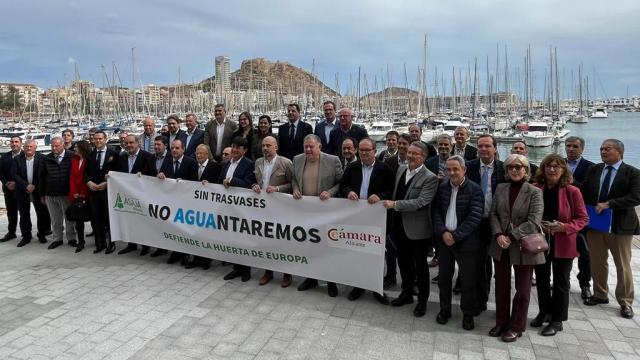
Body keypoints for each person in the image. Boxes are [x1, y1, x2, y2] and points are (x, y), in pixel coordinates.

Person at [581, 139, 640, 319]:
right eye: (601, 149)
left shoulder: (632, 173)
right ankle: (600, 294)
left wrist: (610, 204)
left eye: (607, 149)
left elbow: (636, 197)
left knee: (622, 265)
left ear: (620, 152)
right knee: (597, 261)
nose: (603, 152)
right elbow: (583, 192)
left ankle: (625, 301)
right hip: (596, 224)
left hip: (620, 226)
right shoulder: (594, 170)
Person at [488, 154, 544, 342]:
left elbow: (533, 221)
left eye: (519, 167)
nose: (514, 170)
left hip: (521, 245)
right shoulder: (501, 188)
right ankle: (501, 322)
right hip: (501, 244)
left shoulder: (534, 192)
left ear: (526, 170)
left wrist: (511, 236)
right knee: (501, 286)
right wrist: (498, 235)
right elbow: (493, 213)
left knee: (522, 289)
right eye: (511, 167)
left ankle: (517, 326)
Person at [531, 154, 589, 336]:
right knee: (541, 279)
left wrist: (563, 227)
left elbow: (583, 219)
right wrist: (539, 224)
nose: (552, 169)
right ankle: (544, 311)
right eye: (548, 166)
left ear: (563, 169)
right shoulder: (535, 188)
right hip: (540, 240)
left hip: (563, 242)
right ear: (543, 168)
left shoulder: (572, 191)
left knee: (561, 282)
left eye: (557, 166)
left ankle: (557, 320)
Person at [384, 141, 438, 317]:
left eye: (415, 154)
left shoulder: (430, 177)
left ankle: (422, 302)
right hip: (399, 227)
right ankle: (406, 294)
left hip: (418, 231)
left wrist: (395, 205)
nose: (411, 156)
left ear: (423, 157)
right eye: (409, 153)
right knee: (403, 263)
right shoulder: (401, 170)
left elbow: (421, 202)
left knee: (421, 268)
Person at [432, 155, 484, 330]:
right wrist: (443, 232)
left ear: (464, 170)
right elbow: (436, 213)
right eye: (449, 169)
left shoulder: (475, 189)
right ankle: (444, 310)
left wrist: (456, 235)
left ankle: (468, 314)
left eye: (455, 169)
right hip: (444, 241)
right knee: (444, 279)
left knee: (468, 281)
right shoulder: (442, 188)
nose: (452, 172)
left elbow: (475, 217)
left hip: (466, 243)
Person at [340, 138, 394, 304]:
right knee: (358, 252)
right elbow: (343, 186)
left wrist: (380, 196)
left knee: (376, 254)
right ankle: (359, 285)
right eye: (361, 150)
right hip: (357, 218)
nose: (363, 153)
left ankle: (377, 288)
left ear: (374, 151)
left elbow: (392, 191)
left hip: (376, 219)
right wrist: (348, 192)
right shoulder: (352, 167)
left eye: (367, 150)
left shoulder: (384, 168)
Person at [293, 134, 343, 297]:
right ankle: (311, 278)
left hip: (325, 212)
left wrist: (330, 192)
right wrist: (295, 189)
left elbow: (341, 183)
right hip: (305, 212)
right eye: (305, 146)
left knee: (327, 247)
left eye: (311, 147)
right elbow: (294, 179)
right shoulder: (297, 159)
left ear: (319, 147)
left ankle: (331, 281)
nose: (308, 149)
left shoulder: (333, 160)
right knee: (309, 246)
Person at [466, 134, 506, 313]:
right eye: (480, 146)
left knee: (497, 263)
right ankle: (479, 301)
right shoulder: (469, 167)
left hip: (496, 223)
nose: (483, 149)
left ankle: (500, 303)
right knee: (478, 263)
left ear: (495, 149)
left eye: (487, 146)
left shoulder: (504, 169)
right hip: (474, 221)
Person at [251, 136, 294, 287]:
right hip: (263, 209)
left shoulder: (285, 163)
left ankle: (287, 274)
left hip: (281, 209)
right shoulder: (258, 162)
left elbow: (292, 184)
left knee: (283, 241)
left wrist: (277, 189)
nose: (265, 148)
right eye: (263, 145)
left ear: (276, 147)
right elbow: (256, 180)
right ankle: (268, 271)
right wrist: (254, 185)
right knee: (266, 240)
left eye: (268, 145)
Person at [157, 139, 199, 264]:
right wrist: (160, 176)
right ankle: (175, 253)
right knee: (173, 229)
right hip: (171, 202)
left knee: (184, 230)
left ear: (183, 149)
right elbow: (162, 177)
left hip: (185, 203)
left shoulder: (191, 162)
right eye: (172, 148)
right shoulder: (167, 161)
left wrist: (184, 183)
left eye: (177, 148)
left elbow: (194, 182)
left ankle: (185, 254)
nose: (174, 150)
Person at [219, 136, 255, 281]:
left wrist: (232, 181)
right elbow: (219, 180)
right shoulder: (227, 163)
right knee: (232, 239)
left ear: (244, 150)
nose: (233, 149)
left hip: (242, 210)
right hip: (227, 208)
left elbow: (248, 184)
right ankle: (236, 268)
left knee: (243, 240)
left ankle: (246, 270)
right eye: (233, 146)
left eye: (237, 147)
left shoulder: (249, 164)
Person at [565, 136, 595, 299]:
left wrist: (570, 180)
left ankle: (585, 284)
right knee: (561, 251)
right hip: (561, 216)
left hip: (581, 217)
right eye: (568, 146)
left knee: (585, 253)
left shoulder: (591, 167)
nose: (571, 149)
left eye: (575, 146)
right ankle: (563, 281)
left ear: (582, 149)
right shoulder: (558, 163)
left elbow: (589, 191)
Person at [185, 144, 222, 270]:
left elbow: (219, 184)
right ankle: (195, 258)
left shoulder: (215, 166)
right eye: (197, 153)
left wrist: (210, 185)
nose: (199, 156)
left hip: (209, 206)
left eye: (201, 153)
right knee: (195, 232)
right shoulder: (192, 165)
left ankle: (206, 260)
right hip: (194, 206)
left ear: (207, 154)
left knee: (207, 234)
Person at [382, 132, 412, 288]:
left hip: (409, 212)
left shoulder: (415, 161)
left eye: (404, 144)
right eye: (399, 143)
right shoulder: (389, 161)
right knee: (391, 246)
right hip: (391, 210)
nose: (401, 146)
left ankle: (410, 281)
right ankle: (391, 276)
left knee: (408, 250)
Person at [115, 135, 152, 255]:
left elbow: (152, 174)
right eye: (126, 143)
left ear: (137, 143)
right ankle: (131, 244)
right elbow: (119, 174)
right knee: (129, 219)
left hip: (142, 194)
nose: (129, 145)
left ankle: (146, 245)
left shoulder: (147, 156)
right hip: (127, 195)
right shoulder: (122, 157)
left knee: (143, 221)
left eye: (131, 143)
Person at [39, 137, 77, 250]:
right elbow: (40, 177)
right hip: (50, 194)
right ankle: (57, 239)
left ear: (63, 145)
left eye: (56, 146)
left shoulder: (71, 156)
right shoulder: (46, 158)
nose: (54, 148)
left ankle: (71, 238)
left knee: (69, 217)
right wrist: (42, 194)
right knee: (55, 219)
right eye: (52, 146)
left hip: (66, 193)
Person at [11, 139, 51, 247]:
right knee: (24, 216)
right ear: (23, 147)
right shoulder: (17, 159)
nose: (28, 148)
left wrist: (34, 185)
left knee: (41, 214)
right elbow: (14, 175)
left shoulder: (42, 158)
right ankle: (26, 237)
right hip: (22, 191)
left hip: (38, 191)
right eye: (27, 146)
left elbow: (44, 175)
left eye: (31, 146)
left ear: (35, 148)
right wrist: (26, 185)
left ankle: (41, 235)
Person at [85, 130, 119, 254]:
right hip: (94, 191)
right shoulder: (90, 155)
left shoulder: (114, 154)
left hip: (107, 191)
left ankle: (111, 243)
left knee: (108, 218)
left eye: (100, 138)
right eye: (96, 139)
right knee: (96, 218)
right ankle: (100, 243)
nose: (98, 141)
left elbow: (118, 172)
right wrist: (89, 182)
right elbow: (86, 172)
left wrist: (107, 183)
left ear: (105, 139)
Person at [68, 140, 92, 253]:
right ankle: (81, 241)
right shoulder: (73, 160)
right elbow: (72, 177)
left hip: (87, 192)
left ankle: (99, 240)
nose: (74, 149)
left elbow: (87, 177)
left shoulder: (89, 160)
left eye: (76, 147)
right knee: (78, 220)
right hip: (75, 193)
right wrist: (74, 192)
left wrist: (83, 192)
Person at [0, 136, 23, 243]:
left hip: (22, 189)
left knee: (24, 212)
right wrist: (7, 183)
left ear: (21, 143)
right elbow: (1, 173)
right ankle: (11, 232)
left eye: (16, 142)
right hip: (8, 189)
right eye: (12, 142)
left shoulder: (25, 155)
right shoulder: (5, 157)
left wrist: (17, 183)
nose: (14, 144)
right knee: (11, 212)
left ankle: (26, 233)